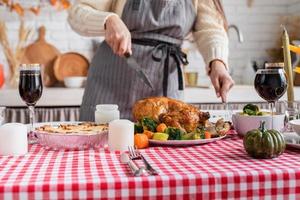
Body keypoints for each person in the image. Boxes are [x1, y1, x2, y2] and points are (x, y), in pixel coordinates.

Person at [68, 0, 234, 120]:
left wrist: (217, 62)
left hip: (166, 86)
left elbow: (211, 27)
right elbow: (77, 12)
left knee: (166, 150)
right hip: (110, 86)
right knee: (99, 154)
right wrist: (108, 20)